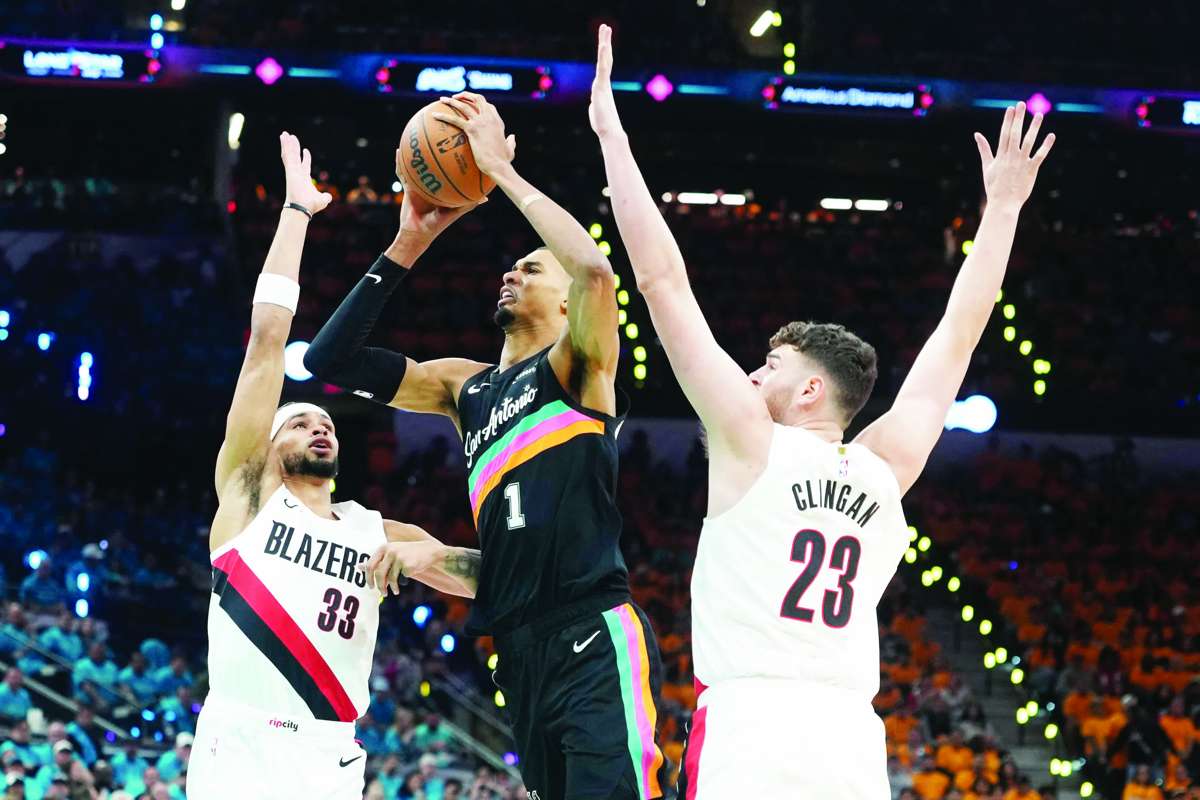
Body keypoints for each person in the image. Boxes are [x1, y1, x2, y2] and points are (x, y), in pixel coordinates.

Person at [588, 24, 1055, 799]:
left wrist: (612, 136)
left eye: (770, 365)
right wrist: (1003, 208)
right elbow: (960, 332)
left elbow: (663, 281)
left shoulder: (747, 440)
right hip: (847, 739)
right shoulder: (884, 468)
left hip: (753, 723)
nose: (747, 373)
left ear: (809, 390)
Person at [305, 92, 668, 800]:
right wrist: (408, 242)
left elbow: (596, 272)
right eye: (513, 267)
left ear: (565, 305)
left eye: (533, 269)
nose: (513, 272)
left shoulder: (577, 368)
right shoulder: (462, 391)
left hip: (593, 636)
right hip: (520, 652)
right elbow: (330, 361)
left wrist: (498, 170)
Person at [184, 132, 479, 800]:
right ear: (270, 445)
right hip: (241, 737)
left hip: (329, 752)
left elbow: (482, 579)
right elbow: (266, 344)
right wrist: (296, 214)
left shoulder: (374, 530)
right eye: (299, 420)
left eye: (325, 421)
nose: (318, 423)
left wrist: (428, 561)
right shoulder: (249, 494)